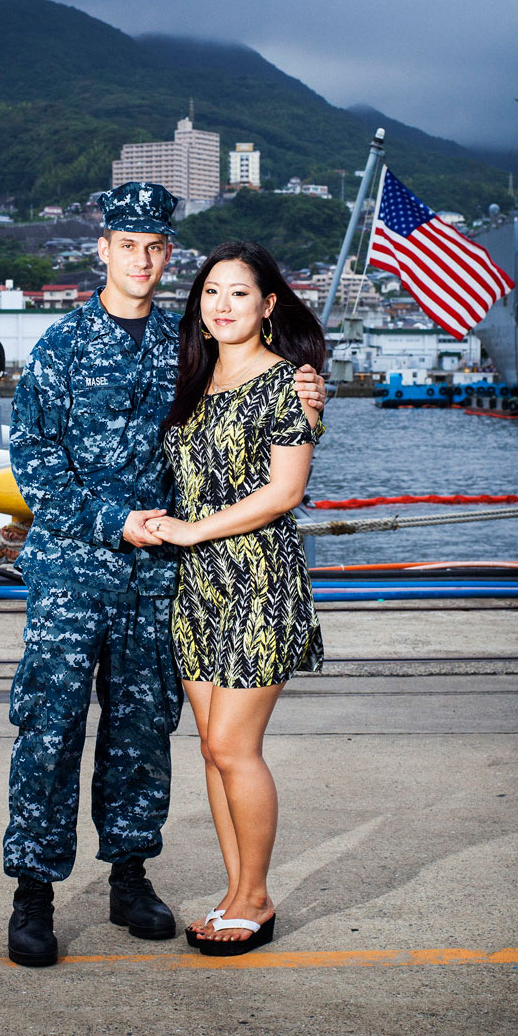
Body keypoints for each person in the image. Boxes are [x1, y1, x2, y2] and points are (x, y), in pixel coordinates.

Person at [3, 185, 325, 968]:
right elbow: (33, 461)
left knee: (144, 730)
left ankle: (130, 876)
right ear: (102, 249)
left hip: (162, 576)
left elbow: (262, 375)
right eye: (126, 244)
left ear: (166, 255)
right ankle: (34, 894)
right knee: (49, 730)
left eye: (154, 247)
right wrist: (110, 521)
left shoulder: (188, 343)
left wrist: (312, 382)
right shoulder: (62, 345)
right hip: (74, 573)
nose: (140, 259)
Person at [147, 240, 326, 957]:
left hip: (258, 578)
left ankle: (256, 898)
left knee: (233, 745)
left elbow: (286, 492)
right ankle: (235, 891)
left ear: (269, 304)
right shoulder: (195, 379)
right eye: (211, 292)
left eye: (239, 294)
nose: (222, 306)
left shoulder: (288, 384)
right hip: (198, 589)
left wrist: (191, 532)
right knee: (212, 753)